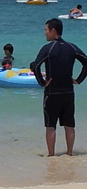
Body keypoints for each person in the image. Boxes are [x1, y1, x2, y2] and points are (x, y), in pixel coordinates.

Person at [30, 18, 87, 157]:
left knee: (50, 126)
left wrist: (42, 82)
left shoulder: (47, 49)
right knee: (69, 125)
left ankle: (51, 156)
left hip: (51, 93)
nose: (45, 33)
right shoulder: (72, 47)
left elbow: (35, 66)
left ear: (53, 30)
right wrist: (79, 80)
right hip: (68, 92)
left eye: (46, 30)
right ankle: (69, 154)